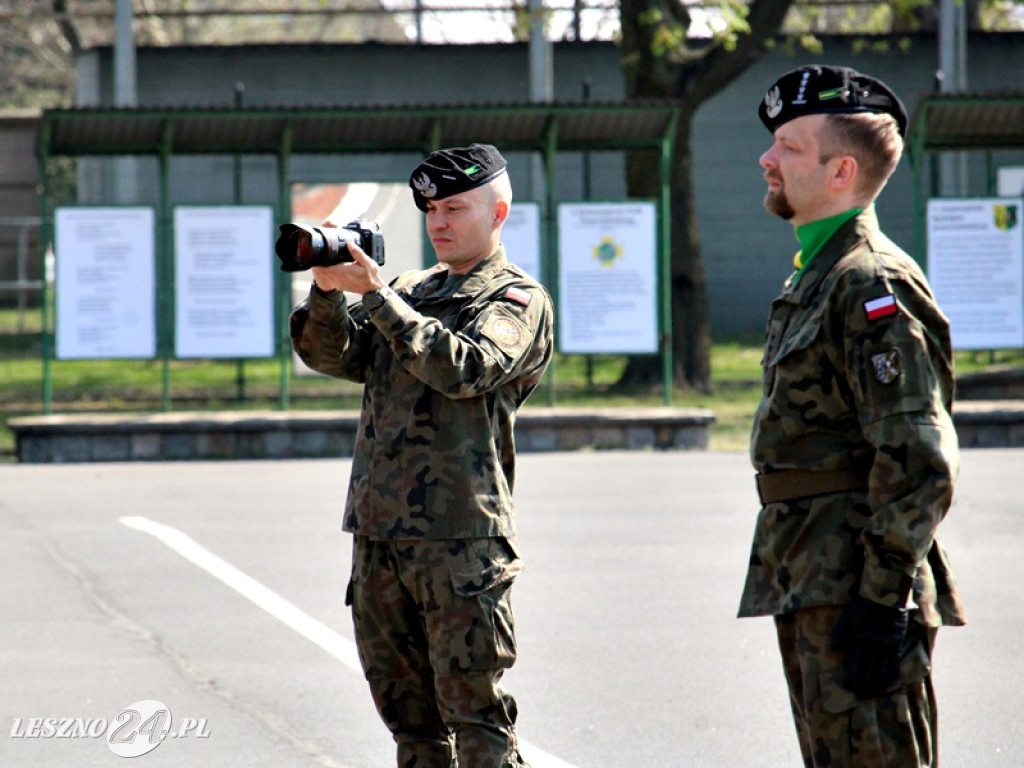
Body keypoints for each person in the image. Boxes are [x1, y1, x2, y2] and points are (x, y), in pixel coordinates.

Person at [290, 143, 554, 768]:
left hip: (459, 540)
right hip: (380, 536)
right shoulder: (412, 289)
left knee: (475, 718)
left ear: (498, 213)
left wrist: (379, 298)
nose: (438, 222)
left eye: (454, 208)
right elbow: (332, 356)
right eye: (430, 208)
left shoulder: (516, 300)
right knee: (411, 727)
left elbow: (465, 367)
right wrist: (328, 293)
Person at [737, 65, 967, 767]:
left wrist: (882, 598)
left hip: (855, 586)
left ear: (841, 171)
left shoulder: (870, 282)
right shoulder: (819, 274)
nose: (767, 159)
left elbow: (920, 456)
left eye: (790, 148)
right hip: (812, 573)